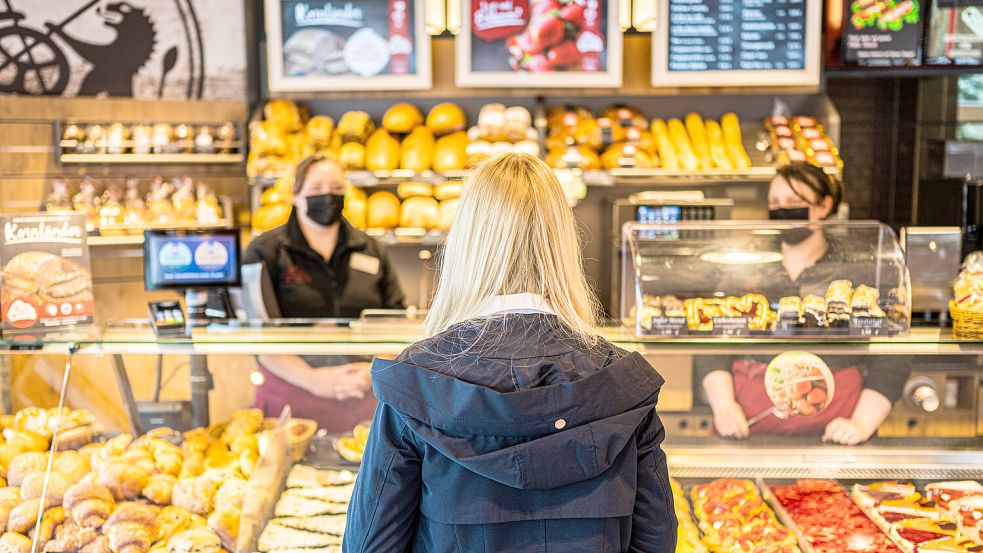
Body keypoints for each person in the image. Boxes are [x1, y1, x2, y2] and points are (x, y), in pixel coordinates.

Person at [343, 153, 676, 552]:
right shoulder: (621, 385)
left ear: (468, 245)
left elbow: (369, 545)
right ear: (562, 246)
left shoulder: (419, 382)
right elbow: (656, 541)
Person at [701, 162, 910, 445]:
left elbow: (893, 352)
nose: (782, 211)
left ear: (824, 206)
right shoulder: (745, 267)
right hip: (747, 426)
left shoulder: (859, 269)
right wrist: (724, 405)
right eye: (775, 203)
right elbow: (712, 341)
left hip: (838, 429)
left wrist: (861, 423)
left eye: (794, 202)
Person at [243, 155, 405, 433]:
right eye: (316, 189)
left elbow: (394, 318)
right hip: (291, 393)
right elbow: (257, 334)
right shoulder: (264, 251)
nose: (328, 196)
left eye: (337, 188)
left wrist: (374, 371)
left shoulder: (371, 249)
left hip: (362, 392)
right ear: (295, 194)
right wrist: (312, 379)